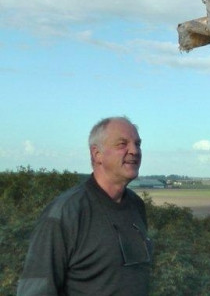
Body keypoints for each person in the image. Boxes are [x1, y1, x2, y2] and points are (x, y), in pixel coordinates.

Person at [17, 116, 152, 296]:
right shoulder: (66, 212)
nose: (134, 150)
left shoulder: (136, 205)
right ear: (97, 154)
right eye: (122, 144)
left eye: (137, 143)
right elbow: (36, 289)